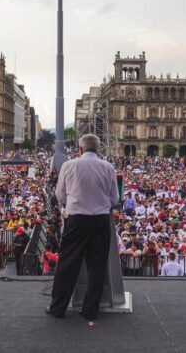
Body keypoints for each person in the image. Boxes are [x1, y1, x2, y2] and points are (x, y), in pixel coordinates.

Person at [47, 134, 119, 321]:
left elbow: (60, 195)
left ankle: (58, 307)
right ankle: (90, 310)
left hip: (77, 220)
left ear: (80, 149)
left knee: (67, 264)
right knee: (97, 266)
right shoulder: (108, 167)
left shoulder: (69, 166)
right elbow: (114, 199)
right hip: (101, 220)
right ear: (98, 149)